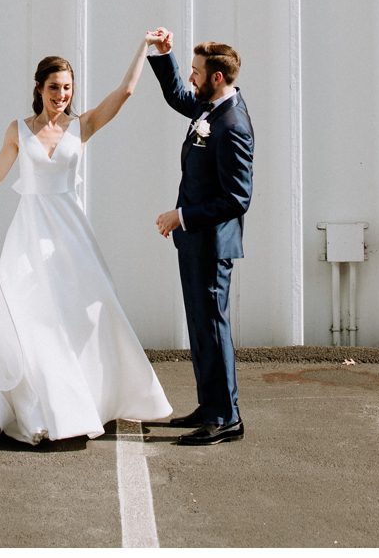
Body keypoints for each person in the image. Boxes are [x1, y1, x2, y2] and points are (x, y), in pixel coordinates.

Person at [0, 37, 171, 443]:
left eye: (68, 87)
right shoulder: (18, 130)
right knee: (31, 319)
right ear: (40, 88)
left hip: (71, 234)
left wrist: (145, 49)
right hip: (31, 234)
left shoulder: (82, 125)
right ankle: (44, 412)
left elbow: (126, 92)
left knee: (87, 315)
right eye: (55, 87)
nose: (63, 95)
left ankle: (93, 400)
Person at [143, 27, 253, 445]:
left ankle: (226, 417)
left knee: (213, 327)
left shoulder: (232, 124)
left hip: (209, 242)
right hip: (195, 243)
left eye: (195, 71)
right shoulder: (213, 107)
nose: (191, 77)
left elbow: (237, 198)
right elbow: (178, 97)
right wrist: (164, 55)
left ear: (217, 77)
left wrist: (182, 216)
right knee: (201, 328)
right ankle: (210, 406)